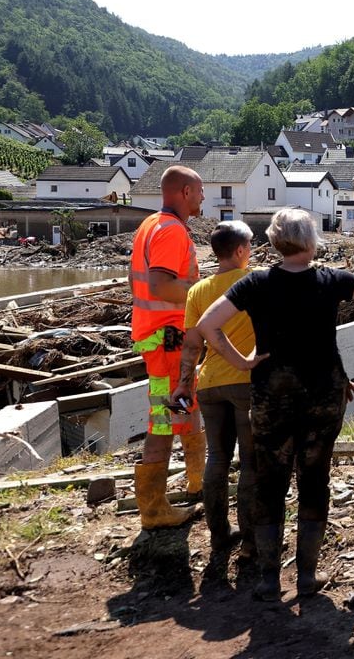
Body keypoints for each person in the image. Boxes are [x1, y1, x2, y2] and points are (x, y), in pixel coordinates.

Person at [193, 207, 354, 601]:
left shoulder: (257, 283)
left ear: (274, 241)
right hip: (323, 396)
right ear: (312, 242)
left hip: (271, 397)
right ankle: (307, 578)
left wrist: (241, 362)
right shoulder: (330, 280)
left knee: (270, 482)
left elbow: (208, 325)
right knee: (315, 479)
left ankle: (268, 578)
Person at [172, 220, 258, 565]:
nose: (251, 252)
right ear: (239, 251)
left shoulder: (198, 291)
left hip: (209, 384)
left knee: (217, 459)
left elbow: (192, 345)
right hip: (247, 382)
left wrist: (183, 383)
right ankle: (251, 539)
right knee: (250, 462)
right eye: (250, 246)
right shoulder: (255, 282)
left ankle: (219, 536)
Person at [129, 165, 206, 530]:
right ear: (186, 192)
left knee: (187, 405)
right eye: (200, 191)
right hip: (167, 342)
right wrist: (201, 295)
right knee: (163, 420)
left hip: (164, 339)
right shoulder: (171, 231)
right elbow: (160, 286)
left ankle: (197, 484)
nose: (204, 197)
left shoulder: (151, 224)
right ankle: (155, 511)